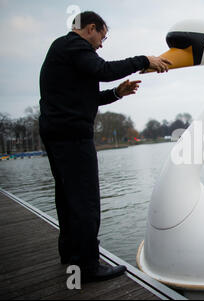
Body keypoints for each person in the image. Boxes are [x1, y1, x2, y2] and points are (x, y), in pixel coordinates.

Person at [39, 11, 171, 282]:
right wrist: (145, 60)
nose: (101, 44)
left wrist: (115, 94)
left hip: (57, 133)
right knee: (86, 201)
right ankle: (87, 266)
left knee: (67, 198)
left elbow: (85, 97)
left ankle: (70, 254)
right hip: (72, 136)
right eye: (102, 37)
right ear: (90, 28)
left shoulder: (63, 51)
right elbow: (104, 70)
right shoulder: (75, 46)